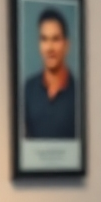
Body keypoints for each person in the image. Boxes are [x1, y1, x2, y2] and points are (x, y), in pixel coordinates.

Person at [23, 8, 76, 139]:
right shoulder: (28, 90)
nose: (50, 47)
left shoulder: (78, 92)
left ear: (66, 44)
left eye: (55, 39)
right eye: (44, 39)